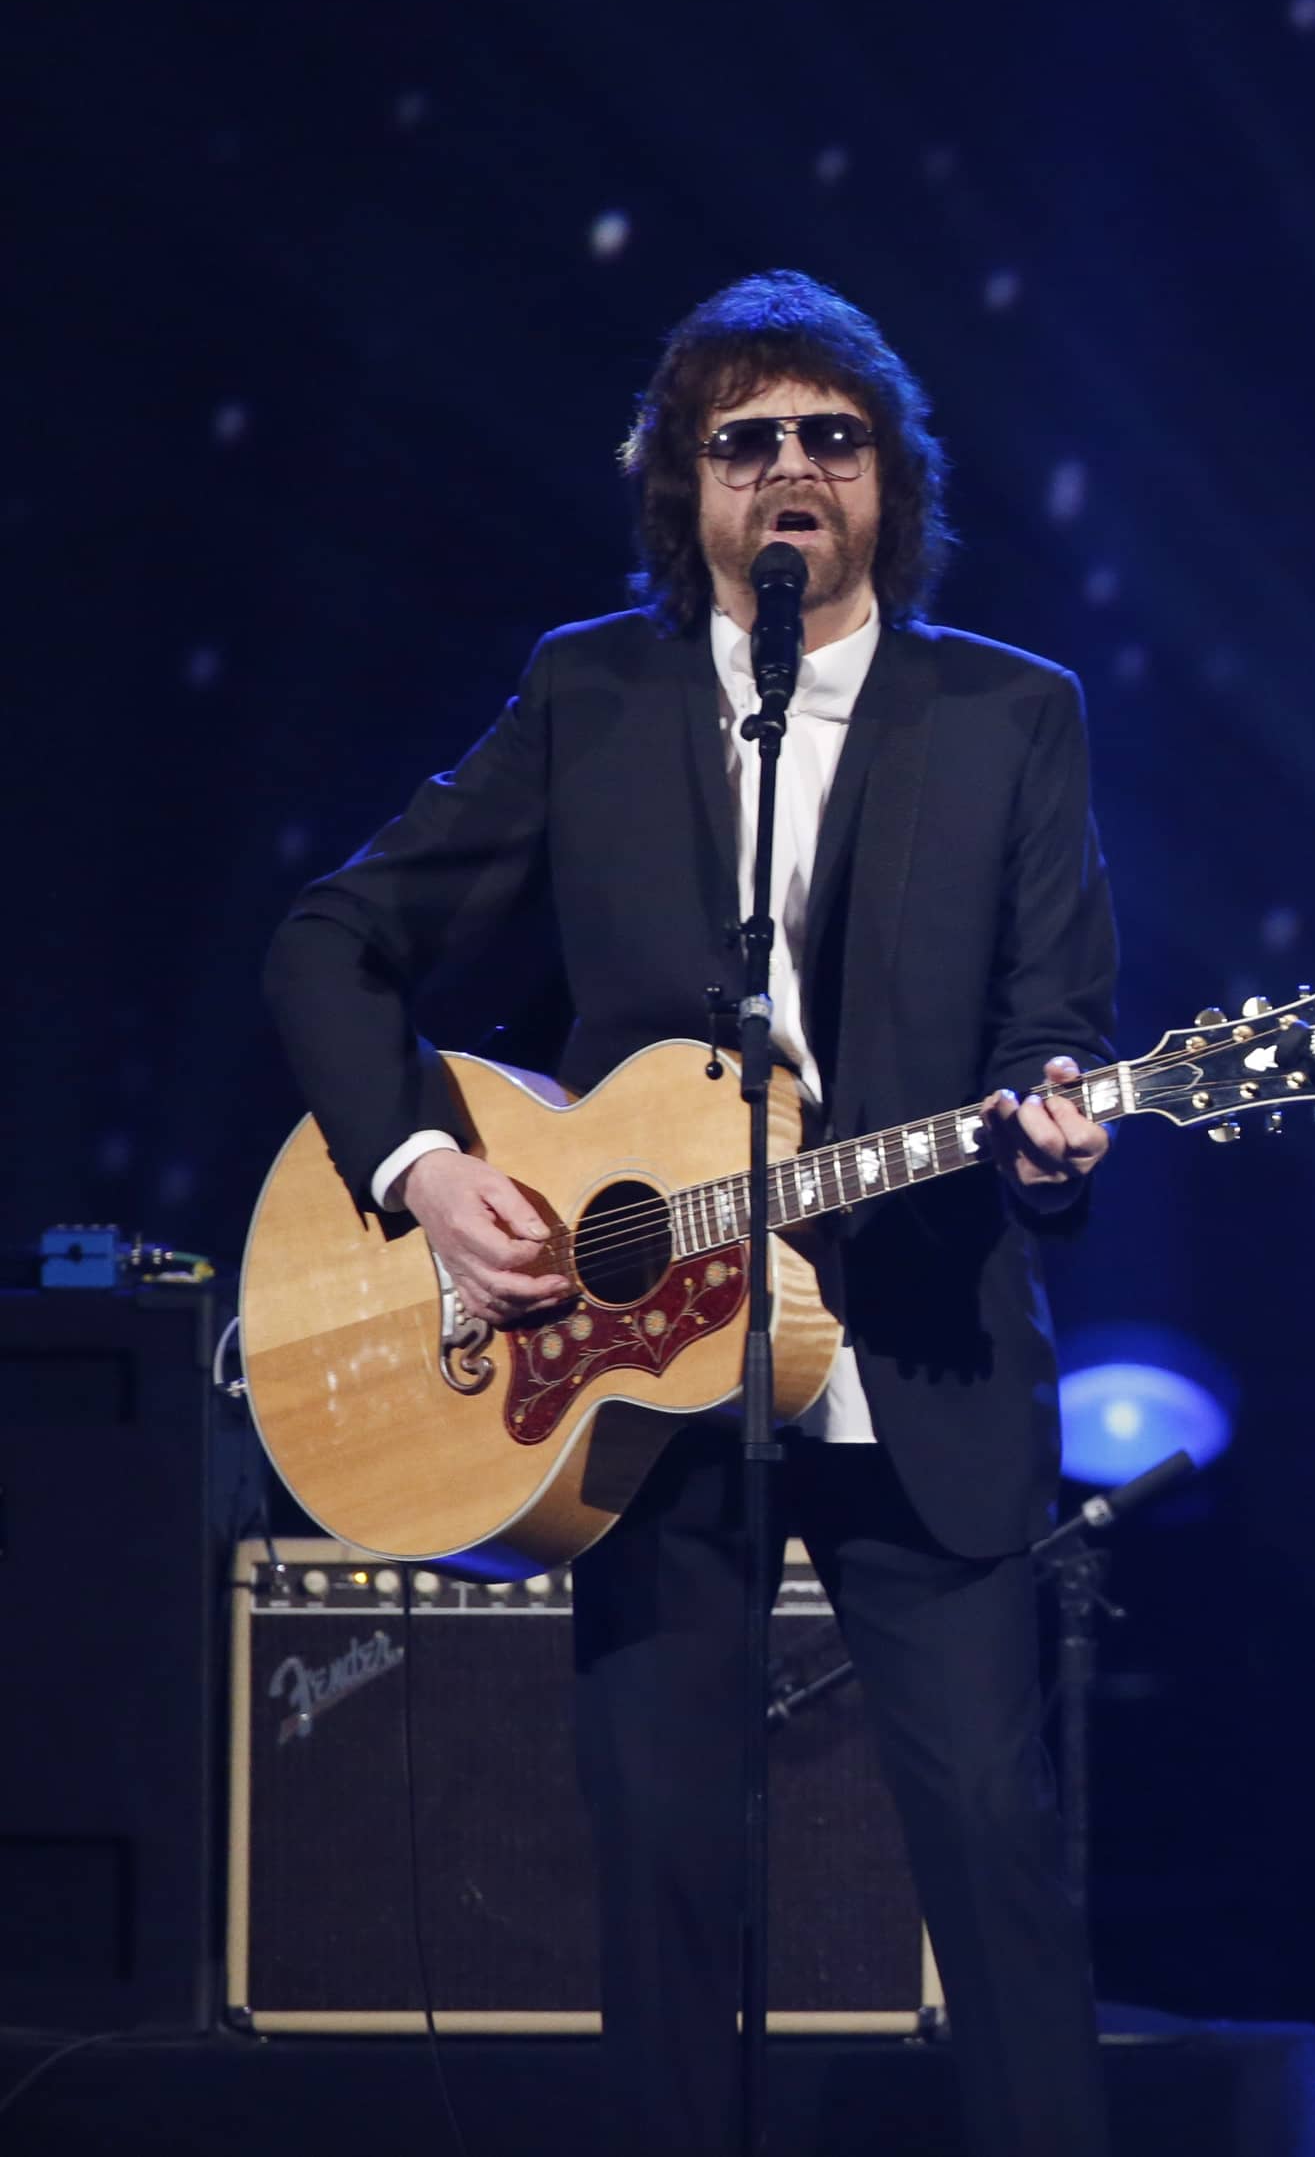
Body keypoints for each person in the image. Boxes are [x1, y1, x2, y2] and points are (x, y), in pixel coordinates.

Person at [266, 270, 1119, 2157]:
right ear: (685, 488)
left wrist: (1059, 1131)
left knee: (991, 1849)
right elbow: (338, 936)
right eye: (746, 441)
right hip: (635, 1379)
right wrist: (426, 1171)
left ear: (888, 480)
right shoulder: (598, 690)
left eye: (833, 437)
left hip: (919, 1353)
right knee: (659, 1872)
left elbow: (1053, 1022)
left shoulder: (1009, 717)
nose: (792, 471)